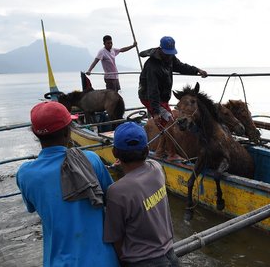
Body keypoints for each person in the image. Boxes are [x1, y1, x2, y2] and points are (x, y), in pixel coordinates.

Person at [16, 101, 119, 267]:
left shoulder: (25, 174)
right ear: (67, 132)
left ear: (35, 134)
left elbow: (32, 207)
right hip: (103, 260)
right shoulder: (91, 159)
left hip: (57, 261)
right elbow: (112, 198)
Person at [103, 122, 178, 267]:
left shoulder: (116, 191)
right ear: (147, 149)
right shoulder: (156, 168)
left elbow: (116, 239)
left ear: (114, 153)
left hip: (143, 262)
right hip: (170, 255)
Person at [138, 36, 207, 160]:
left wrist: (197, 70)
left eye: (171, 54)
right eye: (168, 54)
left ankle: (159, 151)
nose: (170, 56)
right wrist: (155, 112)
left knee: (166, 122)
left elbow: (181, 66)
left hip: (162, 98)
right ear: (161, 50)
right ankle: (172, 154)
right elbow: (152, 90)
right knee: (169, 122)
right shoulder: (152, 66)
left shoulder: (169, 58)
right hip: (149, 97)